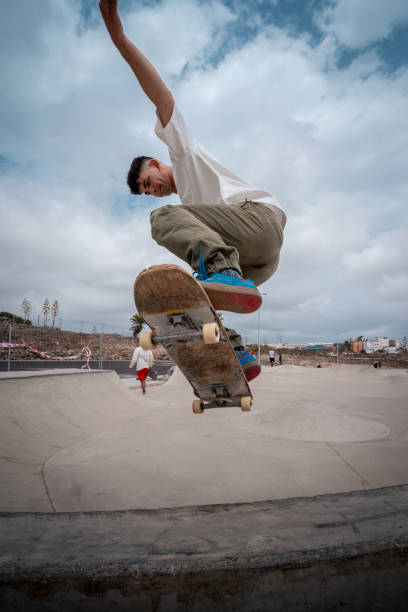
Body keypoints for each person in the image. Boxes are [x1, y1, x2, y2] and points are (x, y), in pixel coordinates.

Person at [100, 0, 286, 383]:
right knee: (193, 292)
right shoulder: (195, 215)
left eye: (149, 181)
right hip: (261, 261)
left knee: (164, 220)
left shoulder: (183, 154)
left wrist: (119, 38)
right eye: (147, 191)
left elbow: (163, 98)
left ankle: (224, 272)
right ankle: (236, 349)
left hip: (257, 221)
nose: (153, 190)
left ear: (156, 161)